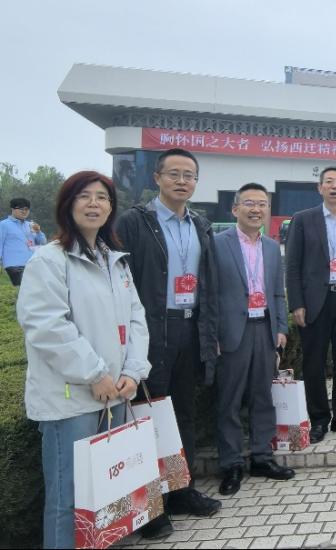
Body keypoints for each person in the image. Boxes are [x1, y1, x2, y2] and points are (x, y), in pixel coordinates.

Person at [17, 171, 150, 549]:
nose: (94, 204)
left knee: (110, 495)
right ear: (67, 204)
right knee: (69, 500)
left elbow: (136, 319)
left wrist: (133, 371)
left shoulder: (115, 260)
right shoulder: (49, 260)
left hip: (116, 393)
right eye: (84, 196)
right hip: (71, 400)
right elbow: (46, 326)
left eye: (102, 197)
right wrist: (94, 373)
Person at [114, 148, 221, 537]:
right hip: (152, 332)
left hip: (190, 329)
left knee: (182, 414)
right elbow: (120, 282)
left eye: (189, 175)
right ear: (156, 178)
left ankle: (181, 489)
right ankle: (150, 505)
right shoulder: (134, 222)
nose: (181, 181)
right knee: (147, 416)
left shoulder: (201, 225)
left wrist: (211, 334)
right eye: (173, 173)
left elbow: (210, 284)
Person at [213, 183, 294, 496]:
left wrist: (281, 328)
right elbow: (209, 293)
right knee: (229, 401)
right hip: (232, 331)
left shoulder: (272, 248)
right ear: (235, 209)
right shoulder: (217, 244)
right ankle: (231, 464)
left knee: (263, 396)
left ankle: (262, 456)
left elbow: (278, 293)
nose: (256, 209)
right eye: (249, 203)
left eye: (262, 204)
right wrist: (213, 334)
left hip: (264, 328)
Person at [286, 167, 336, 443]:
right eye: (329, 182)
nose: (335, 186)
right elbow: (292, 265)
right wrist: (296, 303)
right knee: (314, 363)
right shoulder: (302, 219)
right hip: (314, 303)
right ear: (319, 188)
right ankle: (319, 420)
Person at [1, 198, 47, 286]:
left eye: (26, 209)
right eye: (21, 209)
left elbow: (43, 242)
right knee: (25, 289)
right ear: (12, 209)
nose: (24, 211)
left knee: (36, 289)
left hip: (32, 264)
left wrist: (38, 232)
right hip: (14, 266)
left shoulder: (30, 224)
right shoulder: (3, 225)